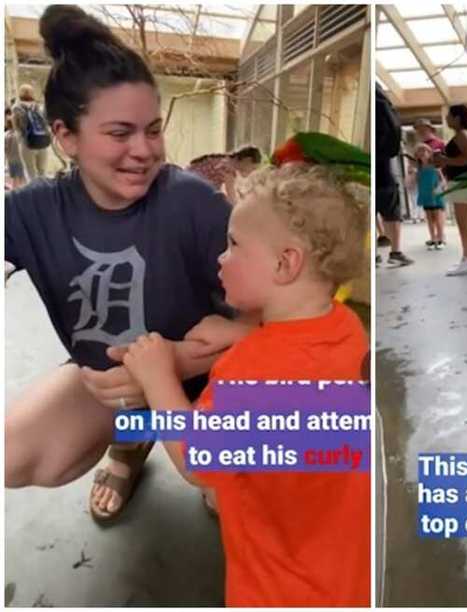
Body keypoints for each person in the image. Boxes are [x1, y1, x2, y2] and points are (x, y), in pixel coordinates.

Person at [4, 5, 250, 522]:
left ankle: (189, 444)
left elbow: (280, 313)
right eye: (120, 133)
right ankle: (132, 442)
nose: (143, 150)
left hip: (213, 381)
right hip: (108, 386)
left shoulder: (191, 200)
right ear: (66, 137)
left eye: (153, 129)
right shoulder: (32, 211)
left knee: (234, 499)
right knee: (17, 450)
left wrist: (183, 363)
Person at [120, 163, 370, 606]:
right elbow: (304, 365)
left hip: (280, 586)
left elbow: (197, 462)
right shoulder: (347, 327)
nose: (221, 257)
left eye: (233, 245)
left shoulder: (251, 372)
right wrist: (243, 333)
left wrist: (156, 377)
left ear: (284, 262)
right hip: (341, 564)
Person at [434, 104, 467, 276]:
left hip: (463, 183)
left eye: (449, 116)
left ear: (457, 118)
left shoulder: (463, 135)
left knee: (464, 225)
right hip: (465, 183)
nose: (446, 119)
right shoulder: (466, 134)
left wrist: (445, 160)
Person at [374, 83, 413, 267]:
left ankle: (372, 255)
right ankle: (395, 253)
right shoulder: (384, 106)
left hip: (367, 170)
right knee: (392, 213)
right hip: (385, 170)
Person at [11, 83, 53, 180]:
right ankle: (43, 192)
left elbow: (16, 128)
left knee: (30, 172)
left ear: (20, 93)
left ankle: (33, 194)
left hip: (27, 144)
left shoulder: (16, 108)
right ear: (32, 94)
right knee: (42, 172)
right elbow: (46, 122)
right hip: (42, 142)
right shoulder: (38, 107)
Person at [413, 143, 447, 250]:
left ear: (429, 153)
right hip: (425, 196)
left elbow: (443, 181)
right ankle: (433, 238)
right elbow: (417, 182)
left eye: (425, 151)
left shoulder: (435, 167)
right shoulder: (419, 169)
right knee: (429, 218)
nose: (423, 154)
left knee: (437, 218)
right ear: (417, 156)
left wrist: (437, 189)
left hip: (436, 196)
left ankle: (440, 238)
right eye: (420, 152)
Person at [5, 108, 27, 189]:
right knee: (22, 180)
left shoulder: (6, 134)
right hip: (19, 160)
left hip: (11, 160)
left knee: (15, 179)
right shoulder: (19, 134)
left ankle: (14, 194)